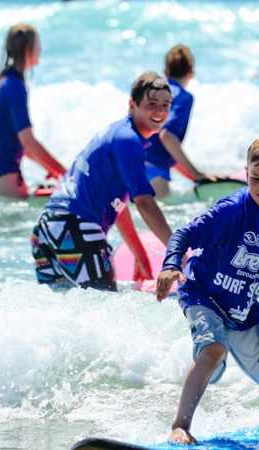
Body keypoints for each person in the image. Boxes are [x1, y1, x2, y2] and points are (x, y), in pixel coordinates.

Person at [156, 134, 259, 444]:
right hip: (202, 294)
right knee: (213, 349)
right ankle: (180, 426)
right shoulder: (231, 210)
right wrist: (170, 266)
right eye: (256, 178)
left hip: (243, 306)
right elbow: (183, 234)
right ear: (246, 174)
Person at [31, 72, 174, 290]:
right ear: (132, 105)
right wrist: (176, 252)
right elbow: (145, 203)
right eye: (151, 104)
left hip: (48, 229)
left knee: (65, 312)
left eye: (165, 105)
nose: (160, 111)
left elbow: (118, 204)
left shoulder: (117, 133)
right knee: (106, 310)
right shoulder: (129, 140)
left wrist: (138, 252)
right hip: (76, 229)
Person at [0, 23, 66, 199]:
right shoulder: (16, 87)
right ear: (28, 49)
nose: (41, 49)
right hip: (1, 176)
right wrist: (66, 175)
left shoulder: (0, 81)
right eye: (38, 45)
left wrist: (51, 169)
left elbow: (20, 144)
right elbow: (28, 142)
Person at [145, 44, 215, 199]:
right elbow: (167, 137)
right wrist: (196, 174)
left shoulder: (150, 92)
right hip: (152, 171)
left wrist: (194, 176)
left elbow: (162, 144)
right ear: (191, 73)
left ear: (165, 72)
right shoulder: (184, 98)